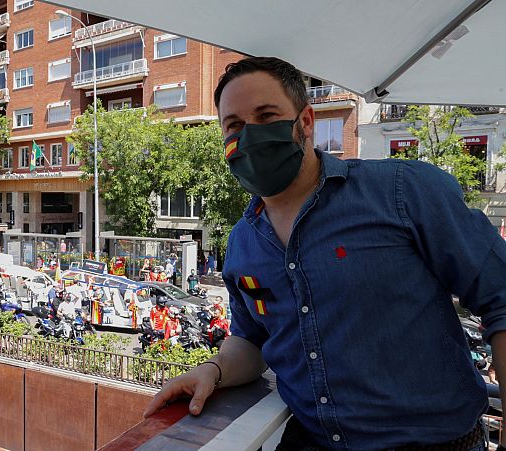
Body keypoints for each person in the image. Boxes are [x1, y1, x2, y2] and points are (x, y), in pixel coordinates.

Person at [144, 56, 506, 449]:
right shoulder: (243, 243)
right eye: (234, 126)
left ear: (305, 122)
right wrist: (212, 370)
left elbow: (500, 296)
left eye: (266, 116)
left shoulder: (402, 192)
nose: (249, 136)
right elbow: (251, 341)